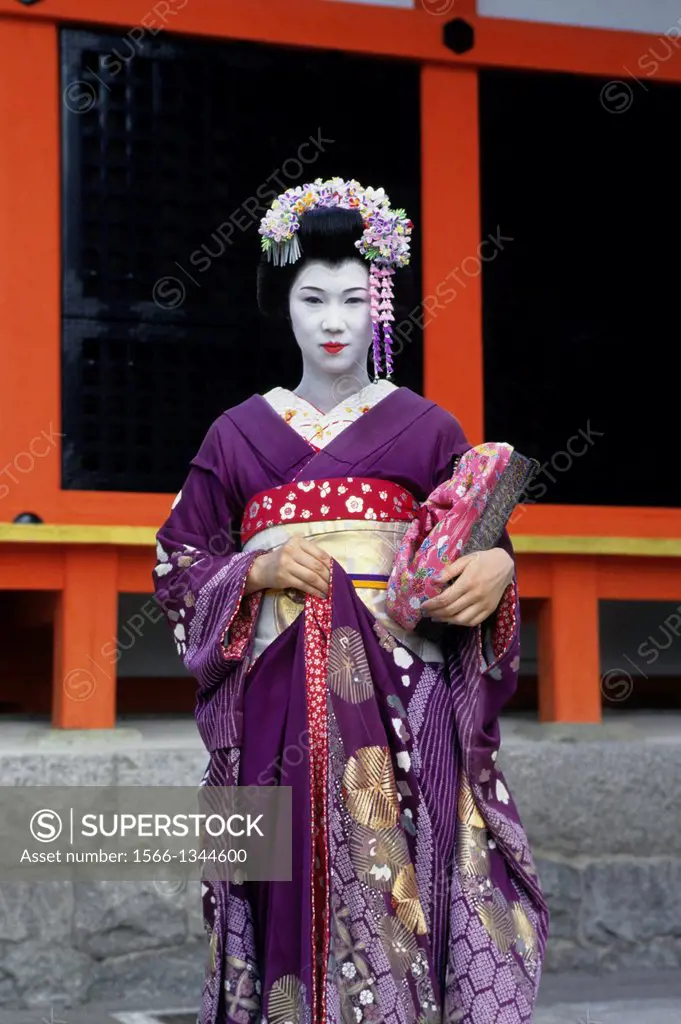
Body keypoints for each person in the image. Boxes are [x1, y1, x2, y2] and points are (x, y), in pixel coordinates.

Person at [153, 178, 548, 1024]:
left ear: (380, 307)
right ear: (283, 308)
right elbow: (180, 559)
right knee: (286, 877)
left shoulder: (426, 426)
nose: (333, 320)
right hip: (278, 708)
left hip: (410, 703)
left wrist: (498, 576)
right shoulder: (238, 432)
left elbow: (473, 548)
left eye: (351, 298)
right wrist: (252, 575)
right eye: (310, 298)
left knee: (411, 880)